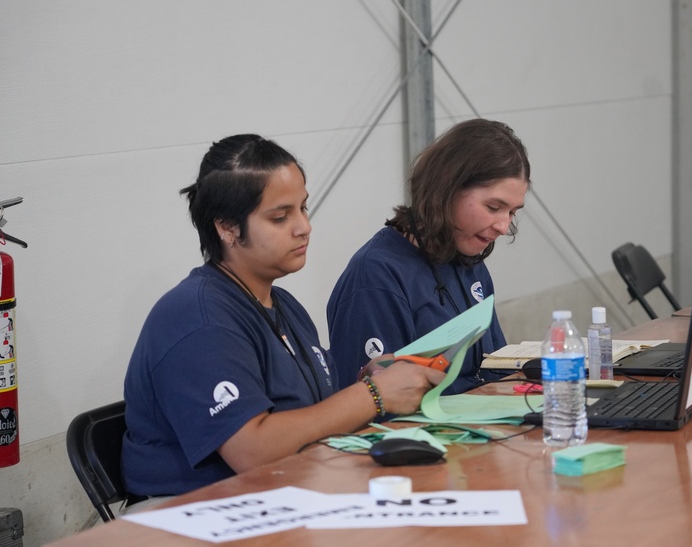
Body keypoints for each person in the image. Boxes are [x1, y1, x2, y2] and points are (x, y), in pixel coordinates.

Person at [121, 134, 443, 499]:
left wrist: (367, 379)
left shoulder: (283, 305)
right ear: (226, 227)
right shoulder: (198, 317)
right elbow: (251, 450)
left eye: (303, 208)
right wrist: (373, 395)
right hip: (194, 514)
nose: (303, 226)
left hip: (286, 490)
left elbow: (310, 414)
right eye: (280, 216)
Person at [327, 119, 530, 395]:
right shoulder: (375, 275)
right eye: (493, 207)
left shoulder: (468, 258)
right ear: (447, 189)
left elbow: (493, 370)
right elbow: (368, 407)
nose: (504, 226)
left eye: (512, 212)